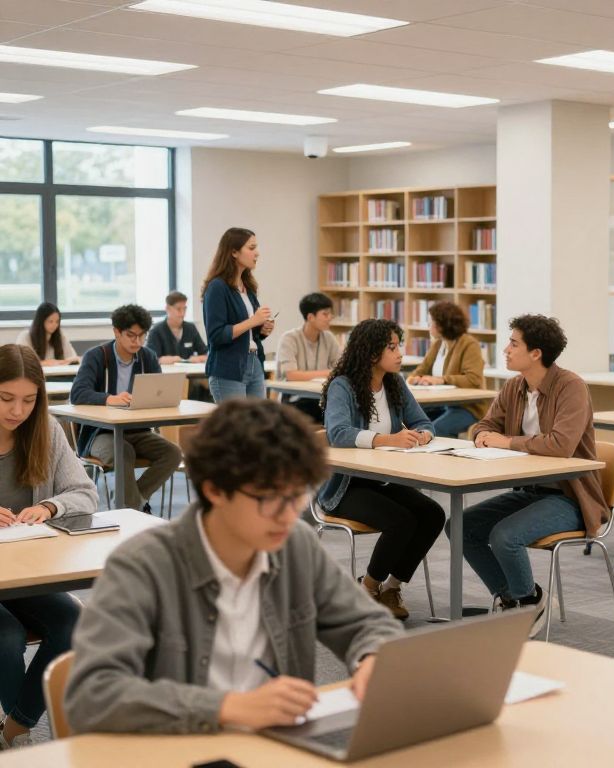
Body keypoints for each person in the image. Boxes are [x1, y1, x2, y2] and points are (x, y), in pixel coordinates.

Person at [65, 399, 403, 735]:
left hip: (277, 745)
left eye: (297, 496)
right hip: (180, 747)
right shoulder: (142, 565)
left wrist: (373, 658)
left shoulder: (295, 546)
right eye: (269, 499)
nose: (288, 516)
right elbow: (91, 695)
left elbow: (367, 623)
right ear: (214, 490)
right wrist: (225, 707)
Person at [449, 314, 606, 634]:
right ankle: (514, 597)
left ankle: (528, 603)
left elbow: (561, 445)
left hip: (570, 496)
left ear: (536, 353)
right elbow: (485, 425)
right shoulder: (514, 386)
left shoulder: (571, 386)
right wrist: (482, 435)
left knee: (505, 537)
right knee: (459, 527)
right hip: (528, 491)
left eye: (513, 344)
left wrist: (506, 442)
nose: (505, 350)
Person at [0, 344, 98, 750]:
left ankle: (13, 728)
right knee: (7, 637)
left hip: (26, 569)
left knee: (75, 622)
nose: (17, 411)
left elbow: (85, 493)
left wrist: (49, 506)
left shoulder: (46, 430)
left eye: (28, 400)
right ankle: (20, 730)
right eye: (6, 398)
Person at [317, 319, 445, 620]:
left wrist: (422, 435)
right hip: (347, 486)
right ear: (372, 353)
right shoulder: (343, 385)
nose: (400, 353)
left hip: (385, 480)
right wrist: (388, 440)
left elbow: (424, 422)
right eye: (392, 347)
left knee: (433, 514)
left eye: (398, 346)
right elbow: (338, 433)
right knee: (401, 520)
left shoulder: (394, 382)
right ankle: (368, 588)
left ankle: (391, 588)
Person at [69, 304, 182, 513]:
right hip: (100, 433)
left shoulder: (148, 357)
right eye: (131, 335)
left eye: (142, 335)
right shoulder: (97, 356)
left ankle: (132, 503)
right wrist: (109, 398)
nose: (137, 341)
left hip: (137, 430)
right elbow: (77, 394)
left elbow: (157, 393)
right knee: (124, 451)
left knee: (173, 453)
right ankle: (132, 507)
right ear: (116, 332)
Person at [201, 228, 274, 402]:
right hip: (228, 368)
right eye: (251, 248)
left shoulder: (247, 287)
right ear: (234, 252)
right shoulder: (217, 287)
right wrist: (253, 321)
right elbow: (216, 335)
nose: (257, 253)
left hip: (254, 362)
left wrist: (262, 328)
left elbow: (249, 333)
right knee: (237, 420)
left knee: (260, 418)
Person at [407, 301, 486, 438]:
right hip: (441, 404)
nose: (428, 326)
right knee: (413, 422)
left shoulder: (469, 344)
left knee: (436, 428)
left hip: (468, 407)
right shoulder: (438, 344)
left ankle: (447, 452)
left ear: (442, 325)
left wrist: (441, 380)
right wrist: (415, 379)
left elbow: (473, 379)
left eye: (431, 322)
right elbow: (421, 370)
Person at [276, 292, 342, 423]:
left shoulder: (329, 338)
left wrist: (332, 372)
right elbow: (291, 375)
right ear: (310, 317)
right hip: (295, 398)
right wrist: (328, 373)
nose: (330, 318)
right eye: (325, 314)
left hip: (321, 397)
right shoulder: (289, 338)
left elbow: (341, 369)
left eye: (330, 314)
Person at [145, 291, 208, 365]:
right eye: (178, 309)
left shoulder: (191, 328)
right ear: (168, 309)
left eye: (184, 309)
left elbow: (205, 353)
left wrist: (197, 358)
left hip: (188, 370)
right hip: (165, 371)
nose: (182, 313)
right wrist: (168, 360)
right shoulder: (156, 330)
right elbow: (151, 359)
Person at [15, 302, 78, 367]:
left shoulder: (60, 336)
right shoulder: (25, 336)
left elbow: (73, 358)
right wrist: (46, 363)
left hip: (57, 372)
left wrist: (62, 362)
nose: (54, 325)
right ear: (41, 321)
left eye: (57, 321)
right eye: (50, 321)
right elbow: (23, 363)